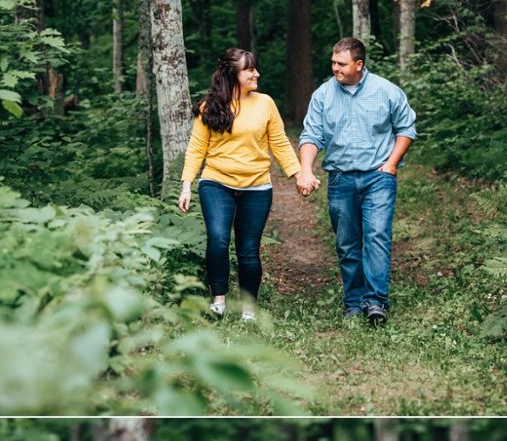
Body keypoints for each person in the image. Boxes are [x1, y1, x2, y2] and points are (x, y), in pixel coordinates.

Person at [296, 37, 417, 324]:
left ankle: (376, 302)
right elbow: (311, 135)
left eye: (341, 63)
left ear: (359, 64)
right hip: (340, 179)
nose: (335, 68)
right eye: (333, 62)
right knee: (347, 243)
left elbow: (406, 128)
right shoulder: (323, 95)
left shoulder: (386, 91)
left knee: (376, 236)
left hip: (378, 177)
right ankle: (353, 302)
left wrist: (390, 165)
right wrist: (306, 169)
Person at [178, 49, 300, 323]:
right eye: (250, 70)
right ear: (234, 75)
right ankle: (218, 300)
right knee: (218, 239)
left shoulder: (265, 103)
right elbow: (196, 149)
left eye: (255, 69)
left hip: (256, 186)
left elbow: (279, 142)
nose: (256, 74)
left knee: (248, 248)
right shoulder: (209, 107)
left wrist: (298, 174)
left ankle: (248, 308)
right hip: (216, 183)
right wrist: (186, 185)